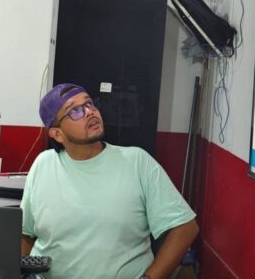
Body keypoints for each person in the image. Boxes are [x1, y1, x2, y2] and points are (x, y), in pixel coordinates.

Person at [21, 83, 199, 279]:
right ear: (57, 134)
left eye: (89, 104)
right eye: (75, 111)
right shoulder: (43, 165)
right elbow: (25, 233)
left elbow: (185, 227)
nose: (89, 112)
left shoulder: (136, 162)